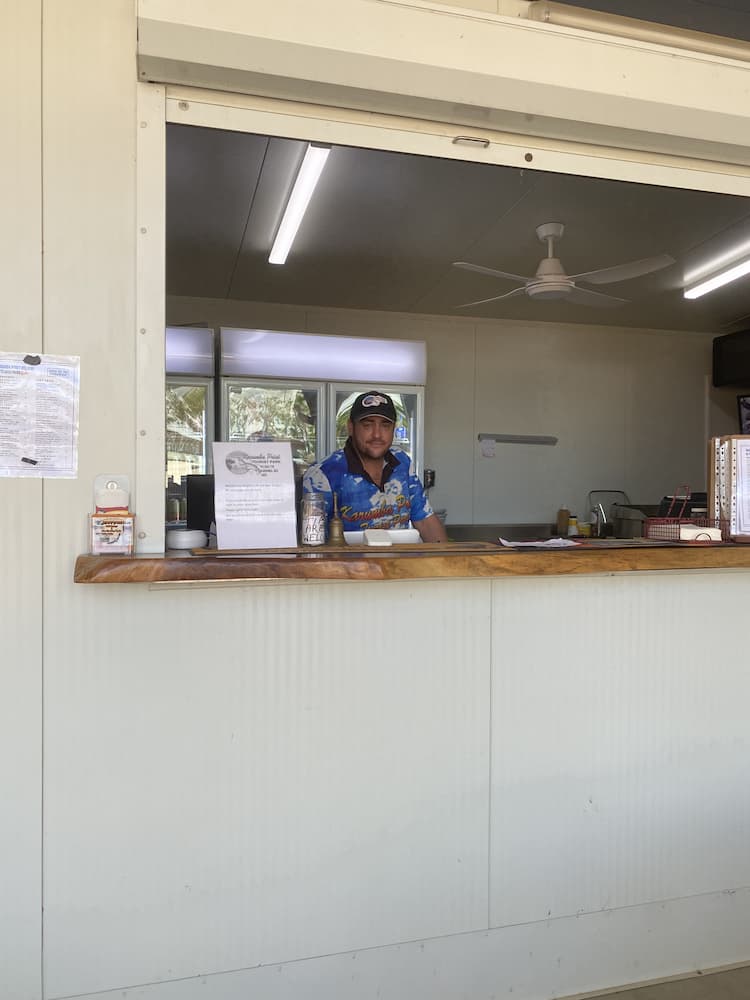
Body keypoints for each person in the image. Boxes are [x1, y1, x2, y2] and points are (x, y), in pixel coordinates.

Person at [302, 390, 448, 542]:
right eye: (367, 425)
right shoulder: (322, 475)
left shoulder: (402, 463)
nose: (377, 435)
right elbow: (312, 544)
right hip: (345, 566)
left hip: (400, 565)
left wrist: (448, 563)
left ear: (393, 429)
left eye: (385, 426)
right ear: (351, 427)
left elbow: (425, 521)